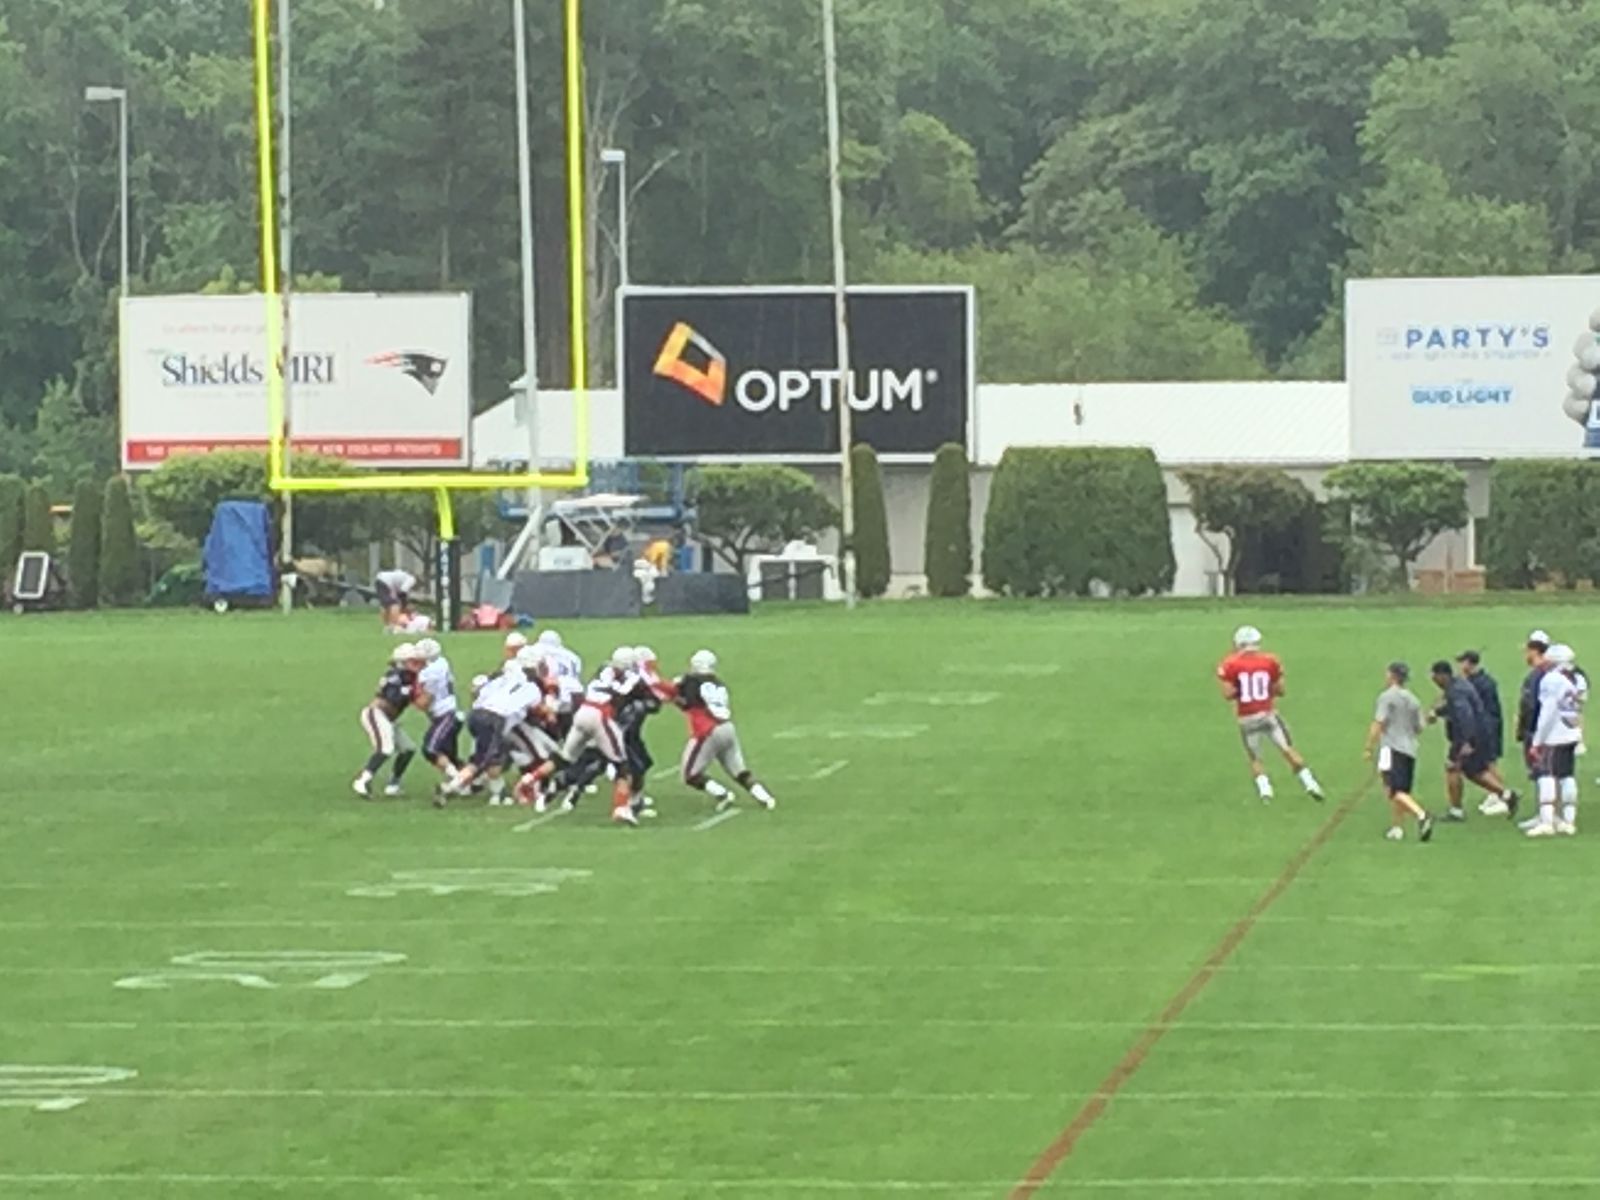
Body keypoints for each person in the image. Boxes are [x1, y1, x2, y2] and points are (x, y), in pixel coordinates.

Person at [1214, 625, 1324, 804]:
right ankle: (1310, 783)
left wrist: (1242, 690)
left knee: (1255, 757)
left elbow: (1228, 694)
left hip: (1246, 717)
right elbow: (1280, 690)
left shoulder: (1230, 664)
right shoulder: (1270, 661)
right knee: (1287, 749)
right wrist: (1266, 689)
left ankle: (1265, 792)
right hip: (1267, 714)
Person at [438, 648, 544, 807]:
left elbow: (479, 691)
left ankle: (498, 793)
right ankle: (450, 787)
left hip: (476, 714)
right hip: (494, 719)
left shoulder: (505, 677)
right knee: (484, 760)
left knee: (490, 757)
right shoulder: (533, 689)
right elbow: (538, 710)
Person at [675, 649, 776, 812]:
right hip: (727, 728)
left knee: (690, 775)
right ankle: (765, 797)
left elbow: (686, 702)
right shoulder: (718, 683)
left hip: (708, 730)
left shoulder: (692, 681)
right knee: (739, 771)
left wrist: (673, 693)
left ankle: (722, 794)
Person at [1429, 660, 1518, 822]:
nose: (1434, 681)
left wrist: (1467, 742)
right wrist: (1438, 712)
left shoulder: (1455, 691)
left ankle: (1456, 811)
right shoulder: (1459, 685)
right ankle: (1506, 794)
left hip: (1467, 737)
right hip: (1480, 734)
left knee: (1452, 768)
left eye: (1435, 677)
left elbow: (1465, 715)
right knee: (1474, 772)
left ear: (1442, 676)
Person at [1363, 662, 1433, 843]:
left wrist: (1369, 747)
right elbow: (1419, 727)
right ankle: (1397, 827)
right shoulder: (1413, 699)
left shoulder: (1387, 697)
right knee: (1402, 790)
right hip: (1410, 749)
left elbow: (1378, 722)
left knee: (1392, 789)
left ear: (1392, 675)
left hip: (1390, 748)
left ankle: (1421, 815)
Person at [1527, 643, 1583, 837]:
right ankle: (1569, 820)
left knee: (1547, 775)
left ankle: (1547, 821)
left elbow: (1548, 712)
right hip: (1571, 732)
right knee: (1567, 776)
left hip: (1555, 735)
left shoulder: (1551, 679)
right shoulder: (1576, 678)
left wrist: (1537, 740)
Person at [354, 643, 422, 798]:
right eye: (412, 661)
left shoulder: (410, 677)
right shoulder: (395, 676)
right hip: (376, 714)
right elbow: (393, 697)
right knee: (385, 748)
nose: (416, 664)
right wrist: (409, 692)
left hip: (388, 718)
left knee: (408, 749)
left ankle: (393, 785)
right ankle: (362, 780)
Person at [1457, 650, 1508, 815]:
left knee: (1489, 762)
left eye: (1462, 662)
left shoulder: (1479, 684)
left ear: (1469, 663)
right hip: (1487, 725)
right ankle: (1495, 793)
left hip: (1487, 727)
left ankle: (1502, 796)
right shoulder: (1480, 681)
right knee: (1487, 762)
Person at [413, 638, 462, 781]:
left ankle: (459, 780)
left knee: (431, 750)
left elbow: (424, 702)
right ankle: (474, 781)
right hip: (450, 712)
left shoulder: (430, 672)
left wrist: (408, 695)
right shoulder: (442, 662)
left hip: (445, 716)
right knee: (449, 756)